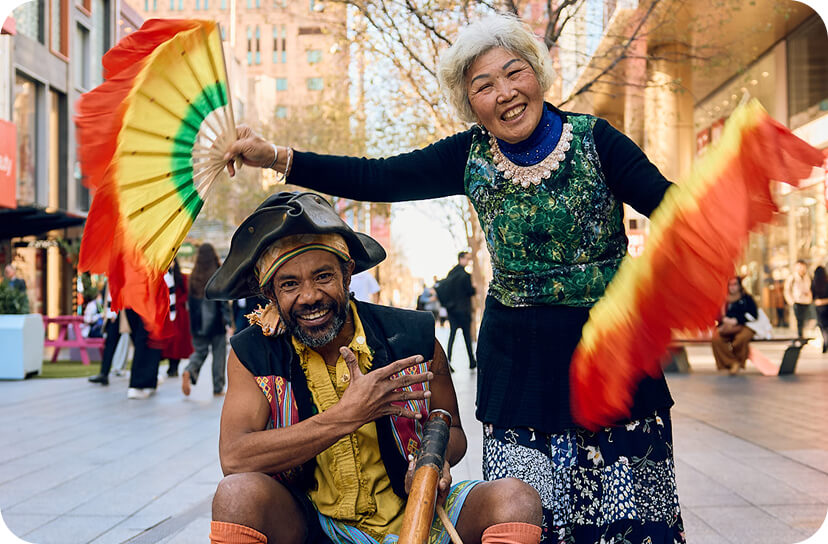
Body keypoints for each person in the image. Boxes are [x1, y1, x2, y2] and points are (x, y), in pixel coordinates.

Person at [223, 15, 684, 543]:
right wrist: (275, 157)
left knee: (633, 518)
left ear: (537, 73)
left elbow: (674, 210)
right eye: (483, 86)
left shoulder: (597, 140)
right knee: (530, 514)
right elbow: (378, 176)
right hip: (521, 367)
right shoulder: (469, 155)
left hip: (613, 355)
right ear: (471, 105)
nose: (505, 93)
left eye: (514, 73)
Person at [203, 191, 543, 544]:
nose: (310, 296)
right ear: (270, 293)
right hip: (315, 526)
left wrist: (433, 460)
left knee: (515, 500)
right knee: (236, 496)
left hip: (419, 515)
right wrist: (346, 416)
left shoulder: (412, 337)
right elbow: (235, 458)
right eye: (289, 284)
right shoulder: (254, 354)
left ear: (347, 273)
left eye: (323, 276)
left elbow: (453, 429)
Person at [183, 243, 232, 396]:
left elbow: (190, 302)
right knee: (219, 354)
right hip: (216, 321)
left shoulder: (193, 276)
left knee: (200, 351)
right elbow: (223, 301)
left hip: (198, 322)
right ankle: (218, 387)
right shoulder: (217, 274)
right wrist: (229, 321)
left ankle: (189, 370)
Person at [435, 252, 477, 369]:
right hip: (464, 310)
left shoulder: (451, 274)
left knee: (452, 336)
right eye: (467, 259)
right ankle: (471, 361)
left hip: (452, 310)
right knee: (467, 336)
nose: (468, 261)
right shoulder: (465, 276)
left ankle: (448, 360)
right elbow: (470, 291)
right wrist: (474, 289)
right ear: (461, 259)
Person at [712, 276, 758, 375]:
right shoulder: (723, 299)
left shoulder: (746, 298)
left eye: (735, 284)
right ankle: (732, 363)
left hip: (745, 326)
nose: (732, 287)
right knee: (716, 339)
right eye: (730, 285)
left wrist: (737, 320)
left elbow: (754, 315)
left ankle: (738, 363)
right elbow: (717, 314)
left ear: (739, 286)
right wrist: (724, 320)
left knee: (740, 340)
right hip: (727, 327)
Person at [160, 259, 194, 378]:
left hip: (179, 314)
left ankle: (174, 367)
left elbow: (187, 293)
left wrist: (180, 302)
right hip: (166, 313)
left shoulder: (182, 277)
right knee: (168, 341)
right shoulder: (163, 276)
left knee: (177, 342)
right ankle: (170, 366)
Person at [88, 285, 121, 386]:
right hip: (113, 315)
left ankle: (150, 373)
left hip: (121, 312)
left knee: (138, 341)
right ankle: (104, 373)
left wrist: (115, 312)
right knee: (110, 344)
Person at [784, 260, 813, 338]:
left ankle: (805, 335)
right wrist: (791, 301)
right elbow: (787, 290)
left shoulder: (808, 277)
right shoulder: (792, 278)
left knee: (807, 320)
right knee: (799, 320)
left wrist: (810, 298)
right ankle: (800, 336)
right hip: (797, 302)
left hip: (807, 301)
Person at [812, 265, 828, 354]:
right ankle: (826, 342)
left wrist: (818, 302)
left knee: (822, 327)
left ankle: (825, 342)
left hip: (819, 308)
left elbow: (812, 297)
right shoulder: (826, 283)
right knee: (826, 327)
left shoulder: (814, 283)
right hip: (826, 307)